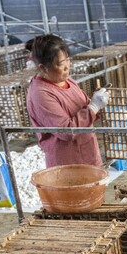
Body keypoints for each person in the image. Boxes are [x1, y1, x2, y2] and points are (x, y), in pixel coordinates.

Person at [26, 34, 110, 168]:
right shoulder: (40, 94)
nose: (67, 67)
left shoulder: (67, 80)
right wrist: (93, 107)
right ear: (43, 68)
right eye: (60, 63)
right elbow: (65, 131)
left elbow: (85, 107)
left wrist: (97, 102)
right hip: (68, 164)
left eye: (68, 60)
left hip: (88, 155)